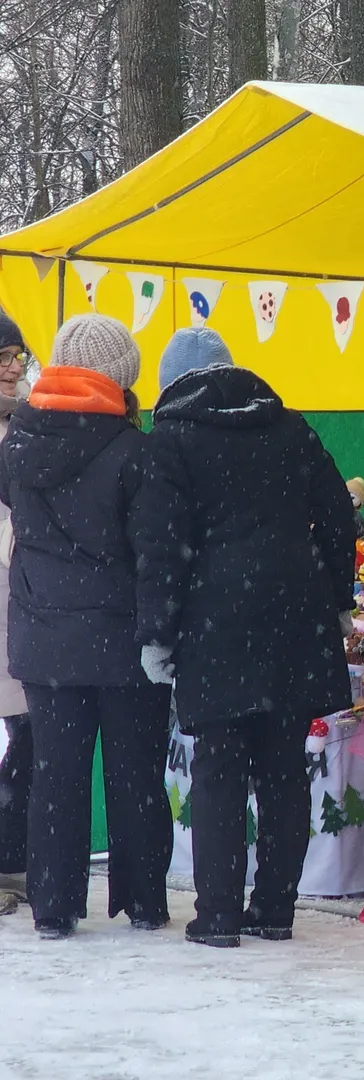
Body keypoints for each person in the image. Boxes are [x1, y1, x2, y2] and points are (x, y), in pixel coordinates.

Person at [137, 327, 357, 947]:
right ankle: (274, 910)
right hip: (295, 615)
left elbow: (160, 548)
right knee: (285, 769)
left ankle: (219, 916)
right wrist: (335, 597)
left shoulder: (172, 440)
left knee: (219, 770)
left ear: (172, 384)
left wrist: (157, 633)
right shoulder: (290, 428)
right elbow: (338, 512)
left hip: (215, 624)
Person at [0, 314, 172, 939]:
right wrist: (160, 634)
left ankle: (54, 905)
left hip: (44, 638)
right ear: (121, 377)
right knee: (136, 776)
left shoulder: (16, 444)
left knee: (56, 774)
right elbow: (154, 555)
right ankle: (145, 899)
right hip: (123, 642)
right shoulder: (134, 452)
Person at [0, 311, 33, 916]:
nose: (12, 367)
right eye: (1, 355)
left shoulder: (34, 422)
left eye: (17, 355)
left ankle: (14, 859)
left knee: (29, 730)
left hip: (27, 598)